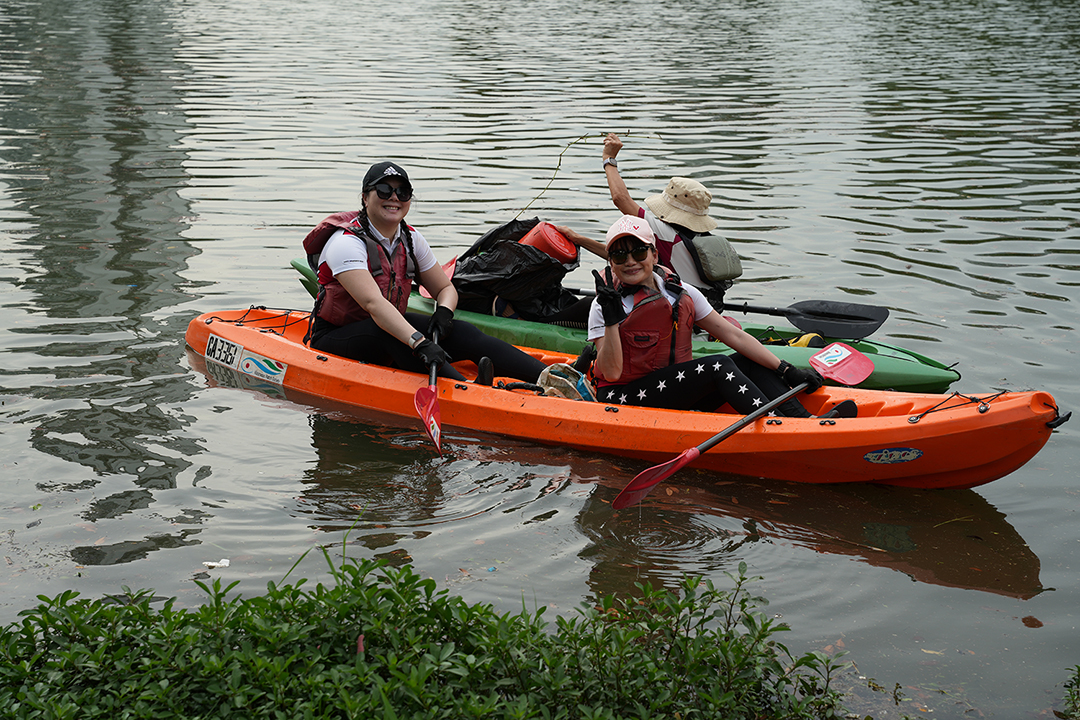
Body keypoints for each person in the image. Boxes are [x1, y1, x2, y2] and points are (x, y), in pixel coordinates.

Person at [586, 215, 856, 419]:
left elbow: (733, 335)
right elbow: (611, 371)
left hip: (676, 389)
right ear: (611, 261)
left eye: (638, 252)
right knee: (718, 365)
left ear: (654, 254)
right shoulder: (604, 304)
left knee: (747, 361)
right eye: (619, 255)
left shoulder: (682, 292)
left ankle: (803, 420)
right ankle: (778, 425)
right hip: (623, 399)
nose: (630, 261)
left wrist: (785, 368)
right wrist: (611, 320)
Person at [302, 161, 546, 385]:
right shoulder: (345, 243)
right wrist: (419, 342)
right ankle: (469, 391)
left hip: (389, 328)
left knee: (463, 331)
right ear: (365, 198)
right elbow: (374, 304)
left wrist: (443, 313)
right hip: (335, 337)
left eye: (403, 192)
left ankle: (551, 378)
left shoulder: (410, 238)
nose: (394, 198)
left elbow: (445, 289)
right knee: (392, 336)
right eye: (384, 191)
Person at [587, 132, 740, 309]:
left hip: (681, 315)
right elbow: (622, 257)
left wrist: (609, 159)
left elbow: (621, 199)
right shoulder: (699, 238)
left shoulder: (668, 235)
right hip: (704, 310)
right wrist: (578, 239)